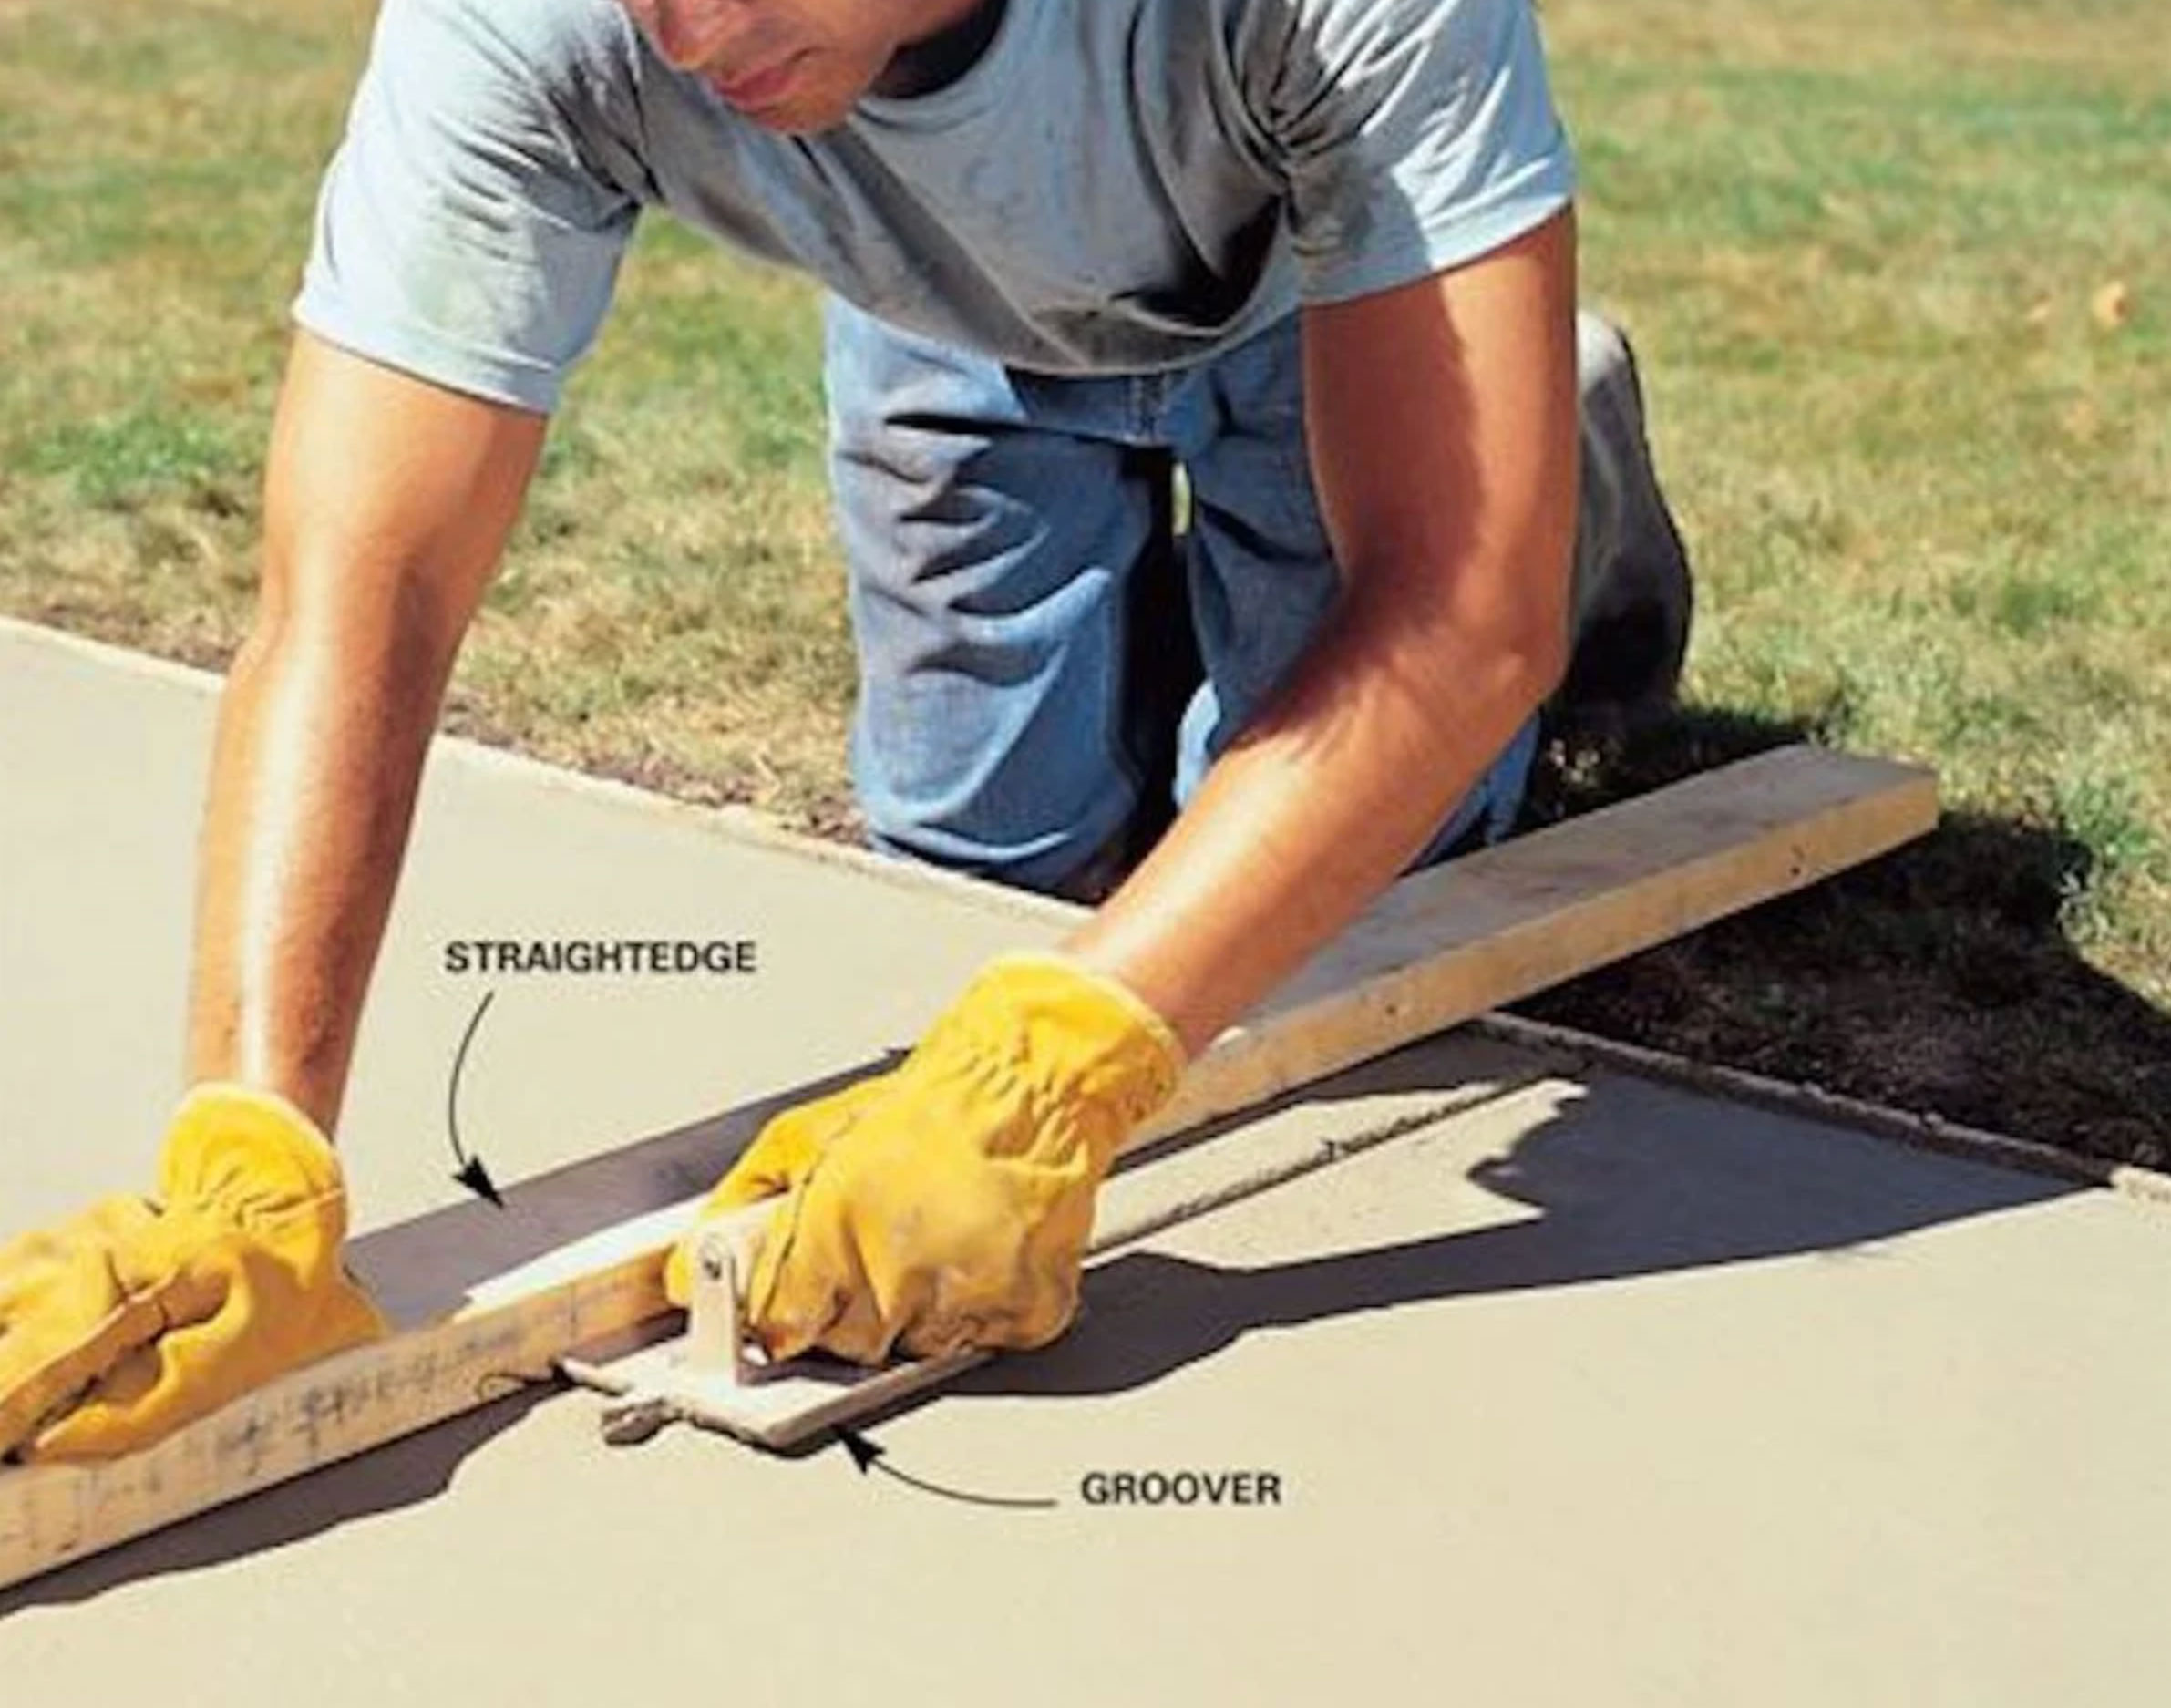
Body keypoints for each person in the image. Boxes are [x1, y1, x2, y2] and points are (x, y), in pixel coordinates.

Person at [0, 0, 1689, 1459]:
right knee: (972, 865)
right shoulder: (547, 15)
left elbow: (1457, 619)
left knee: (1370, 878)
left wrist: (1053, 1068)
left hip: (1325, 294)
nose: (680, 36)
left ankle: (1554, 436)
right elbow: (362, 591)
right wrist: (248, 1148)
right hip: (948, 308)